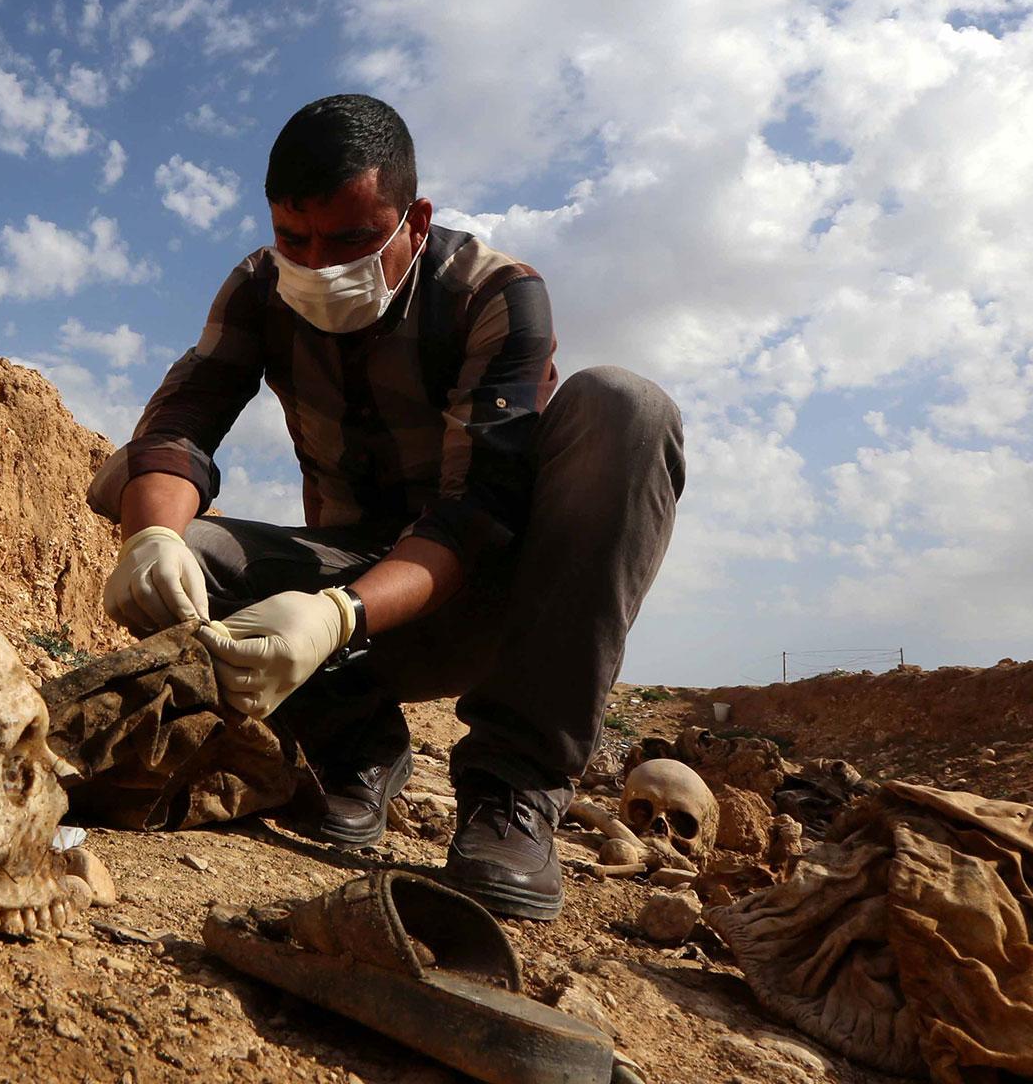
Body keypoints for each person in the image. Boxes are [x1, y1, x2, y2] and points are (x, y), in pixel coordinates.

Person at [87, 93, 685, 923]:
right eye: (295, 239)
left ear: (416, 218)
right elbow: (183, 422)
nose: (319, 266)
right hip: (355, 596)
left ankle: (514, 789)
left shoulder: (494, 294)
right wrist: (152, 536)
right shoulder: (261, 290)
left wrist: (337, 615)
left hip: (488, 596)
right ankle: (353, 740)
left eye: (351, 241)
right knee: (178, 545)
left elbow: (472, 515)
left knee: (626, 408)